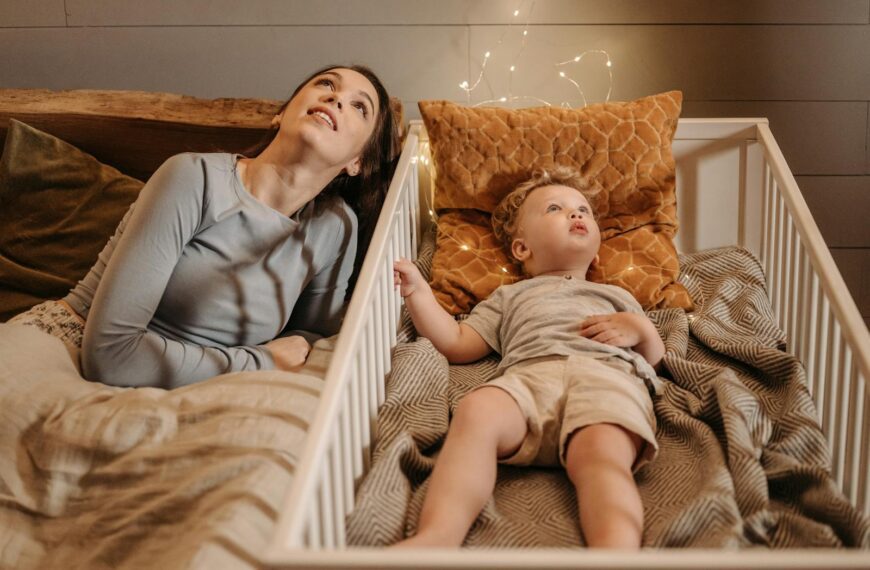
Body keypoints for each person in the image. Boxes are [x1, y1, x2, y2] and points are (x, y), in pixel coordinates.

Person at [8, 64, 399, 389]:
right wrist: (259, 361)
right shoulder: (194, 178)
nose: (336, 98)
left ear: (358, 162)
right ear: (280, 113)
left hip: (189, 386)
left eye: (359, 106)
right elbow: (111, 354)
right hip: (69, 350)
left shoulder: (335, 227)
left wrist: (258, 363)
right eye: (326, 84)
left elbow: (308, 341)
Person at [391, 168, 665, 549]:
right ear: (522, 249)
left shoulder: (618, 296)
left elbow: (654, 362)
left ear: (597, 248)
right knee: (476, 410)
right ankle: (438, 535)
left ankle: (616, 550)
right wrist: (418, 293)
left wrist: (643, 330)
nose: (576, 214)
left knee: (602, 456)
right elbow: (456, 341)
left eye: (583, 210)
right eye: (556, 208)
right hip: (529, 377)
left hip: (605, 378)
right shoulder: (509, 297)